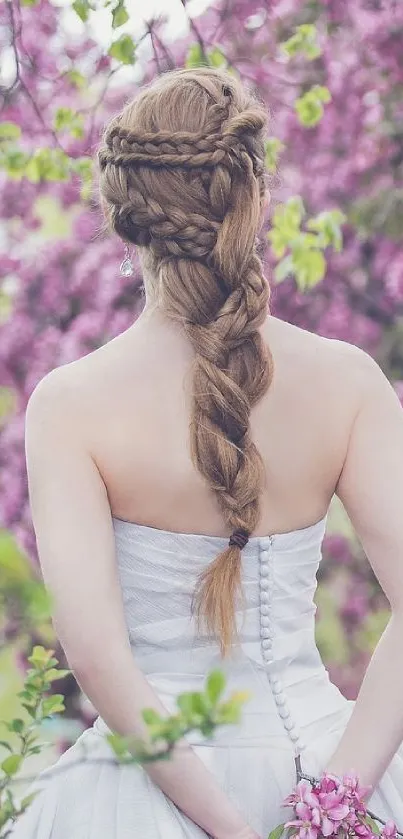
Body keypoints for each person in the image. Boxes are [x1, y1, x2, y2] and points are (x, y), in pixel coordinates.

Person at [11, 66, 403, 839]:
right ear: (253, 200)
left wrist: (226, 828)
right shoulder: (348, 382)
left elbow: (96, 658)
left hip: (139, 801)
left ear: (122, 217)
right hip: (324, 757)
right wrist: (335, 804)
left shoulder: (69, 404)